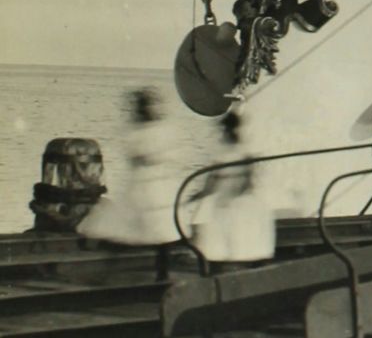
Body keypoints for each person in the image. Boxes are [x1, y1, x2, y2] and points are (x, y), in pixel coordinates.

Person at [78, 88, 178, 279]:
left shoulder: (160, 129)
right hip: (144, 181)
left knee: (162, 226)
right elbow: (136, 156)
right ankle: (112, 262)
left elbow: (170, 155)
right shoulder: (137, 131)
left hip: (160, 181)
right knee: (129, 222)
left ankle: (161, 271)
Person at [189, 112, 276, 269]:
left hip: (233, 200)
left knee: (233, 219)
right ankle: (231, 262)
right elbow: (216, 181)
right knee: (225, 223)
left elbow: (244, 182)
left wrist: (231, 193)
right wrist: (199, 195)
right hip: (228, 198)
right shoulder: (230, 152)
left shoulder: (236, 153)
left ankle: (234, 262)